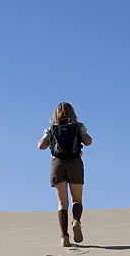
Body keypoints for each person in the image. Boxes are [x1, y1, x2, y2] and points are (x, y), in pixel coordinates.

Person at [38, 102, 92, 247]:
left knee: (62, 204)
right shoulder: (78, 126)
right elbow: (88, 142)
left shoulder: (52, 128)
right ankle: (76, 221)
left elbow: (41, 146)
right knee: (77, 200)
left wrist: (47, 136)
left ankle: (64, 237)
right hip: (75, 163)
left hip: (58, 164)